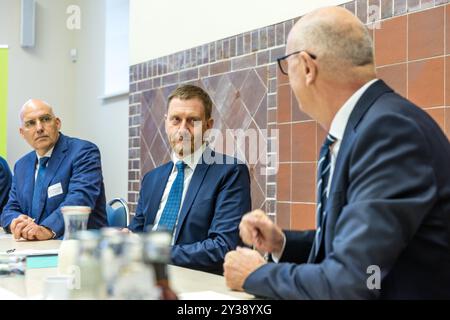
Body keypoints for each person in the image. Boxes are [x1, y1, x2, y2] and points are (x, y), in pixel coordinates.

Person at [223, 6, 450, 299]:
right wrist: (282, 244)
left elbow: (354, 281)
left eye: (285, 65)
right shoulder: (366, 126)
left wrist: (258, 275)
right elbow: (357, 252)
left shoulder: (388, 131)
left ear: (307, 67)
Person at [127, 84, 251, 274]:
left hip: (196, 282)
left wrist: (156, 253)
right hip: (143, 277)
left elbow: (224, 247)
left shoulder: (230, 172)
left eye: (193, 121)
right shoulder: (151, 179)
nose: (183, 129)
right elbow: (136, 233)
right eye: (176, 120)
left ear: (208, 126)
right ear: (166, 122)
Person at [1, 99, 107, 240]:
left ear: (57, 123)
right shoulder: (21, 165)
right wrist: (17, 221)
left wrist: (47, 229)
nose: (39, 128)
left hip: (78, 248)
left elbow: (79, 200)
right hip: (35, 249)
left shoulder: (83, 152)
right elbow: (9, 209)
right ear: (22, 133)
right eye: (30, 123)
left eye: (45, 119)